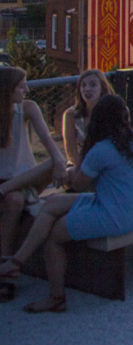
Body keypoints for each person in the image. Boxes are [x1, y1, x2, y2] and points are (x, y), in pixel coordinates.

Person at [0, 94, 133, 314]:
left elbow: (79, 184)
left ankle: (56, 298)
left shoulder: (102, 149)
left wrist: (67, 170)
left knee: (53, 238)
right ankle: (16, 262)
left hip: (115, 215)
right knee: (53, 203)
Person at [0, 67, 70, 302]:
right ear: (7, 90)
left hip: (24, 177)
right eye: (22, 86)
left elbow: (49, 142)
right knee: (14, 201)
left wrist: (59, 162)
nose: (27, 90)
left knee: (52, 162)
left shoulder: (28, 108)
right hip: (7, 182)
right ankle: (8, 270)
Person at [61, 69, 133, 176]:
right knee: (69, 174)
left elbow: (126, 144)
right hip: (83, 166)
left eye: (93, 85)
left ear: (102, 88)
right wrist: (87, 170)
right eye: (83, 85)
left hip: (112, 163)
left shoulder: (117, 111)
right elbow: (71, 153)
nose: (87, 89)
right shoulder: (71, 115)